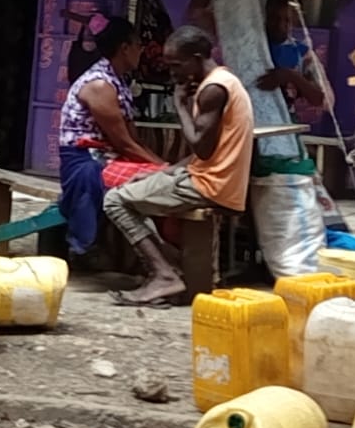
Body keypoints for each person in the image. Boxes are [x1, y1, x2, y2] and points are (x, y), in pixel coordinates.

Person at [103, 26, 252, 307]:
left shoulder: (213, 91)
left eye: (176, 65)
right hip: (213, 177)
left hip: (212, 185)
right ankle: (170, 267)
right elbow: (211, 152)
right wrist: (168, 171)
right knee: (132, 188)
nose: (173, 73)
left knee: (114, 201)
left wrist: (180, 104)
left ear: (196, 58)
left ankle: (163, 274)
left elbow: (201, 147)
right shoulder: (226, 80)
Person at [56, 17, 168, 256]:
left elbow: (132, 140)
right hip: (85, 160)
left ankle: (159, 254)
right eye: (138, 44)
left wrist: (161, 166)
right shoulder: (99, 85)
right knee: (155, 182)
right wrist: (163, 168)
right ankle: (89, 248)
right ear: (124, 48)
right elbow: (124, 143)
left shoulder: (118, 81)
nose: (141, 50)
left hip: (107, 155)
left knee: (160, 178)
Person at [257, 0, 326, 113]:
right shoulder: (253, 45)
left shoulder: (302, 54)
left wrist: (291, 76)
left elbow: (319, 98)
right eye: (274, 18)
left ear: (296, 21)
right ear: (266, 15)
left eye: (287, 20)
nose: (279, 25)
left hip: (284, 123)